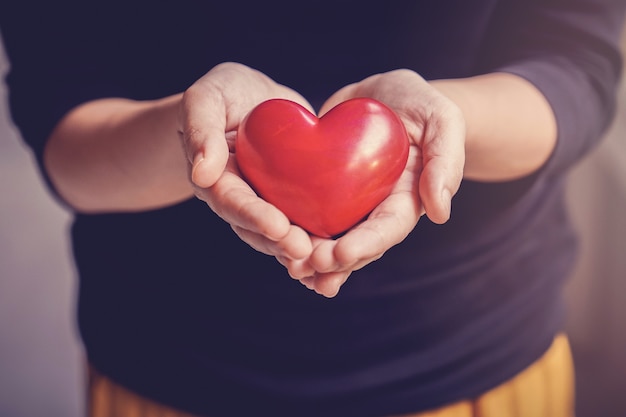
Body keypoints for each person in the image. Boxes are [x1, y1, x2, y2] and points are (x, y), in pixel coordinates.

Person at [1, 1, 624, 416]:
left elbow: (577, 67)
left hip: (474, 367)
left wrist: (443, 121)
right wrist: (190, 134)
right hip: (171, 368)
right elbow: (60, 111)